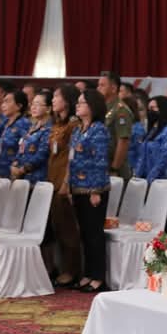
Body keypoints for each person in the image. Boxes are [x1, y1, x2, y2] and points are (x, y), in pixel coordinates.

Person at [65, 89, 110, 293]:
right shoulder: (78, 129)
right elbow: (72, 158)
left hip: (93, 188)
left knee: (94, 234)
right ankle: (88, 273)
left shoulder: (99, 130)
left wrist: (95, 190)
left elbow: (100, 162)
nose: (77, 105)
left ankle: (98, 277)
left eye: (82, 102)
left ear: (93, 106)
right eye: (78, 102)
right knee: (83, 233)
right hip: (77, 187)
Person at [47, 85, 81, 286]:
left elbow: (72, 157)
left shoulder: (73, 125)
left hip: (64, 181)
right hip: (52, 179)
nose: (53, 100)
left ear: (67, 101)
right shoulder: (56, 124)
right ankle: (62, 267)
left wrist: (66, 182)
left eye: (56, 96)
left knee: (68, 228)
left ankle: (72, 270)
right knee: (57, 226)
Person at [97, 71, 133, 180]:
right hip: (101, 166)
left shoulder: (121, 110)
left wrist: (114, 168)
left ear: (113, 88)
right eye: (98, 85)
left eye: (102, 85)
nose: (98, 88)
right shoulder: (102, 108)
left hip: (114, 170)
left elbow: (123, 141)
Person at [11, 90, 51, 185]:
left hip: (37, 179)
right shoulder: (32, 126)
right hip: (22, 178)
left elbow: (42, 155)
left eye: (37, 104)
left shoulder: (49, 129)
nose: (33, 107)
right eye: (32, 104)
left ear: (48, 108)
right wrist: (15, 164)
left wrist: (22, 170)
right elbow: (21, 148)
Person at [136, 95, 167, 183]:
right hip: (145, 179)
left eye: (153, 108)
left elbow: (164, 160)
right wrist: (137, 176)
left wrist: (150, 179)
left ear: (162, 109)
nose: (150, 112)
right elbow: (142, 157)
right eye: (149, 109)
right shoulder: (152, 131)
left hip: (160, 181)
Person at [0, 90, 29, 180]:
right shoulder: (3, 122)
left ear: (19, 106)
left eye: (7, 101)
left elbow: (25, 147)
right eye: (3, 102)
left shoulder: (23, 123)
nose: (3, 105)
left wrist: (17, 165)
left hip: (13, 173)